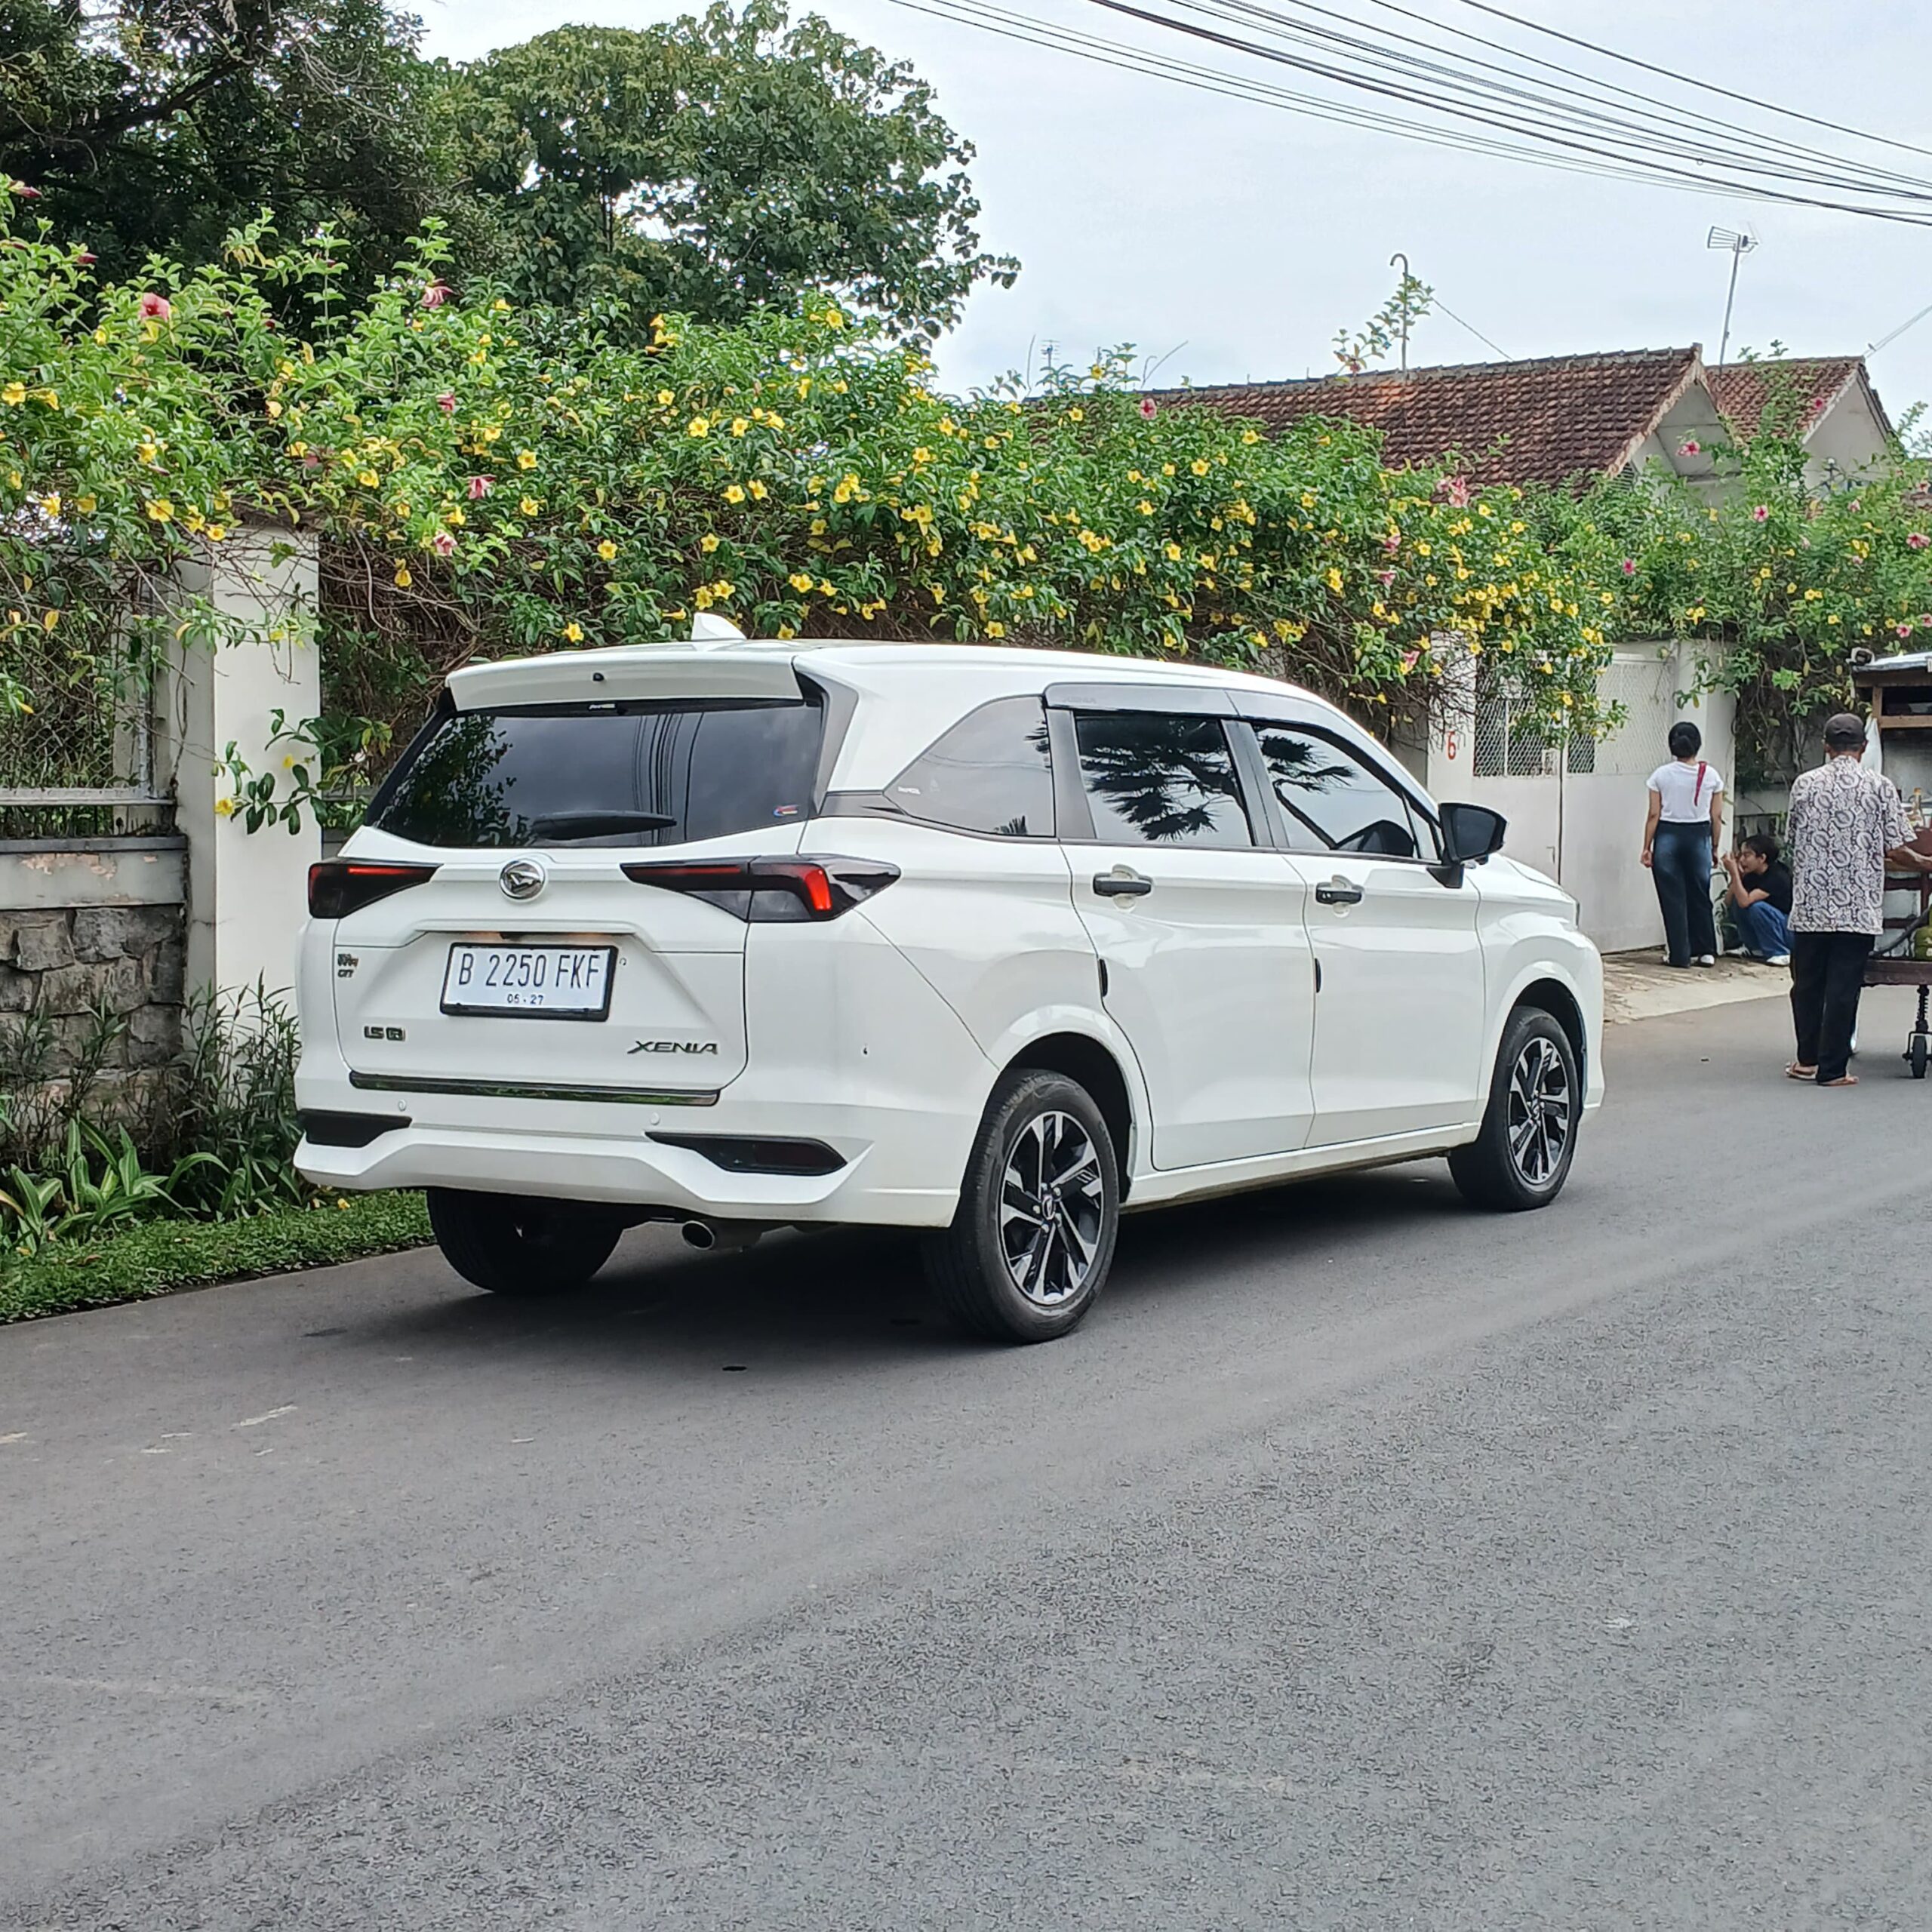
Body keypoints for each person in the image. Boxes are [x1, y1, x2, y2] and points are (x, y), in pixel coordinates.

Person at [1785, 711, 1932, 1088]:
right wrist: (1927, 863)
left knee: (1807, 986)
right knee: (1842, 988)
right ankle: (1832, 1070)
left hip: (1811, 906)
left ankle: (1806, 1060)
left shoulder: (1804, 784)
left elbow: (1792, 840)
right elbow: (1898, 850)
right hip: (1856, 908)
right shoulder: (1879, 786)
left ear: (1826, 746)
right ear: (1863, 748)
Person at [1641, 720, 1724, 968]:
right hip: (1699, 836)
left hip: (1667, 835)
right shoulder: (1711, 775)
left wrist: (1647, 847)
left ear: (1672, 746)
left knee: (1672, 897)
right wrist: (1714, 847)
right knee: (1700, 894)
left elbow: (1654, 815)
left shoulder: (1660, 775)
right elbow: (1716, 816)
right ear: (1697, 745)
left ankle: (1679, 955)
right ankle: (1707, 951)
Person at [1721, 830, 1792, 964]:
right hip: (1776, 924)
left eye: (1747, 855)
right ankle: (1755, 949)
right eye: (1741, 855)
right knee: (1740, 899)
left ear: (1762, 858)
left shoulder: (1777, 876)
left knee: (1756, 907)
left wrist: (1735, 874)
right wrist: (1737, 877)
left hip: (1788, 929)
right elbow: (1728, 901)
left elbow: (1746, 902)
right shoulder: (1752, 874)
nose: (1742, 860)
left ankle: (1781, 952)